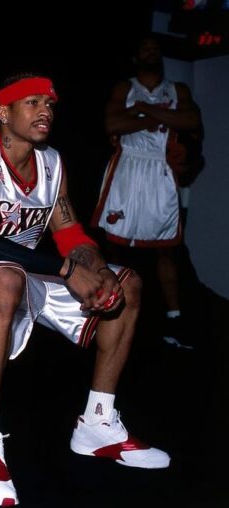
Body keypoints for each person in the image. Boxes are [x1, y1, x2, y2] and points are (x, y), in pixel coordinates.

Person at [0, 74, 170, 506]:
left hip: (29, 271)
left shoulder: (52, 162)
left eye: (49, 104)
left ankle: (97, 424)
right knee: (7, 277)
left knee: (127, 283)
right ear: (4, 112)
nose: (45, 111)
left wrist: (98, 269)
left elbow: (68, 232)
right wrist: (68, 269)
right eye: (32, 103)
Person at [92, 35, 203, 350]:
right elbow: (112, 124)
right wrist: (159, 116)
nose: (151, 52)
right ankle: (109, 308)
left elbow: (191, 119)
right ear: (136, 57)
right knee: (114, 244)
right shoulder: (125, 88)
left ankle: (174, 319)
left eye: (155, 49)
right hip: (127, 168)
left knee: (166, 249)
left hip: (159, 171)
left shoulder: (177, 90)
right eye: (145, 48)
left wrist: (142, 112)